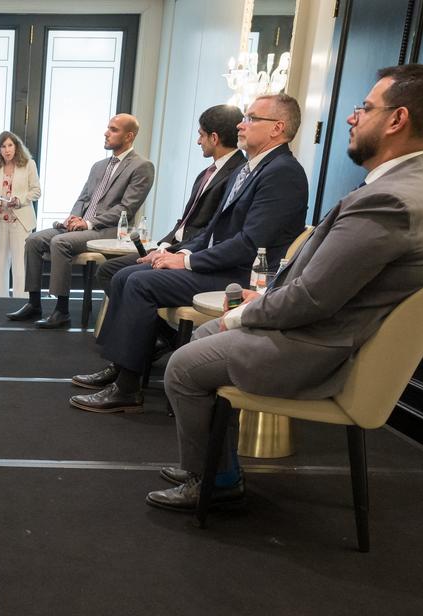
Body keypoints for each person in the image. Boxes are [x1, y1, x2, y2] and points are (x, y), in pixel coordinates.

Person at [147, 65, 423, 511]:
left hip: (319, 346)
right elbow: (328, 283)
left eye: (365, 107)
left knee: (182, 366)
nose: (352, 117)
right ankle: (217, 467)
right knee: (201, 335)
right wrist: (263, 301)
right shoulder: (419, 183)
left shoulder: (390, 200)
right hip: (327, 330)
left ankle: (212, 483)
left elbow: (312, 298)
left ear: (397, 120)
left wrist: (244, 313)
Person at [70, 94, 309, 414]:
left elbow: (249, 244)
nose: (241, 124)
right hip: (222, 264)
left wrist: (186, 260)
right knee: (125, 274)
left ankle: (127, 387)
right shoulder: (250, 168)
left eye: (251, 118)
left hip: (243, 277)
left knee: (139, 283)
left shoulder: (283, 172)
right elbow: (211, 231)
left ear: (277, 128)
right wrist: (175, 253)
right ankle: (122, 367)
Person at [8, 113, 156, 328]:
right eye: (108, 128)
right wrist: (74, 218)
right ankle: (34, 303)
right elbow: (84, 198)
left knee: (60, 242)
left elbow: (126, 208)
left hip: (110, 229)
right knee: (33, 240)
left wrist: (88, 223)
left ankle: (61, 310)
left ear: (129, 136)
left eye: (113, 129)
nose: (106, 133)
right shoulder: (99, 165)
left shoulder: (142, 166)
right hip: (83, 226)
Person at [94, 106, 246, 290]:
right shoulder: (206, 173)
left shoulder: (238, 174)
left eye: (201, 135)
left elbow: (212, 228)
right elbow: (185, 221)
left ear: (214, 138)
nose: (198, 141)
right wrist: (163, 246)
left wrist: (175, 253)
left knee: (127, 277)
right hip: (175, 246)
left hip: (192, 252)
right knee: (108, 270)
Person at [0, 131, 41, 298]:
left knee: (20, 265)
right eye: (3, 146)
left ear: (16, 146)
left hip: (20, 220)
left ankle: (21, 301)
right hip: (0, 219)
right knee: (1, 264)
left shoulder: (28, 164)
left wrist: (20, 200)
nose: (7, 150)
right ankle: (1, 300)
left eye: (10, 145)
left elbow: (36, 191)